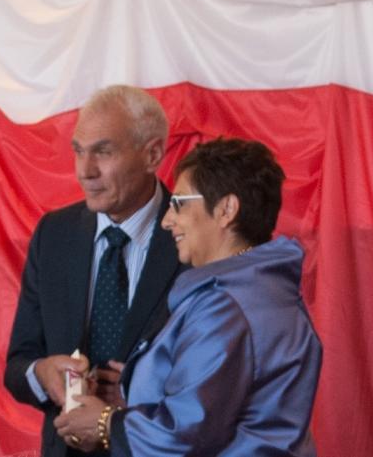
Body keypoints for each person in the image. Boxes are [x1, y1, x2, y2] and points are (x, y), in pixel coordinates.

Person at [54, 137, 323, 456]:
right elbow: (226, 399)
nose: (167, 220)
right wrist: (140, 384)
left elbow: (185, 433)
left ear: (226, 209)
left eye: (179, 203)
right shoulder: (264, 289)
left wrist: (104, 423)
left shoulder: (226, 305)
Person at [4, 85, 185, 457]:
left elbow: (226, 377)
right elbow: (18, 365)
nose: (85, 171)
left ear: (152, 154)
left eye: (103, 151)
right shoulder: (54, 234)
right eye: (78, 151)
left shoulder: (197, 234)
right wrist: (43, 375)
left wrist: (140, 393)